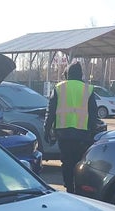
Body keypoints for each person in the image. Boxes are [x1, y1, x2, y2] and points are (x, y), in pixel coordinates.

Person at [44, 61, 97, 194]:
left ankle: (69, 188)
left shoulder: (59, 88)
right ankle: (79, 189)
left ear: (67, 73)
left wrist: (47, 129)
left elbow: (50, 111)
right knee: (79, 163)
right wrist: (92, 132)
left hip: (64, 133)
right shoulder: (88, 89)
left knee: (67, 163)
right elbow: (93, 113)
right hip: (82, 134)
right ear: (81, 74)